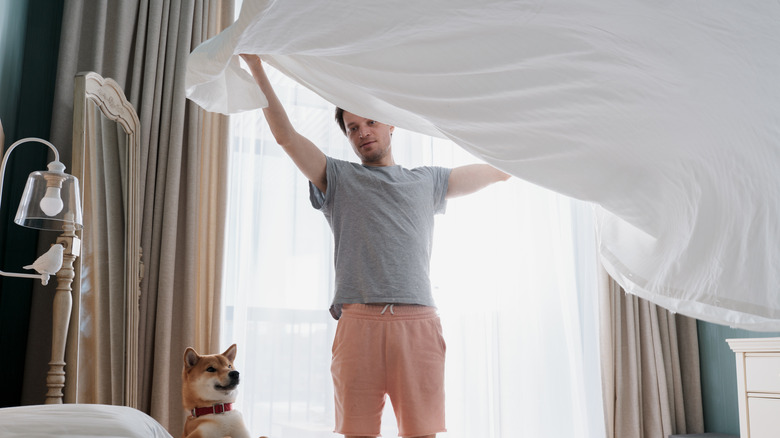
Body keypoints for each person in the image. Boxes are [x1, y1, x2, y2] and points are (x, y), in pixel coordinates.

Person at [241, 54, 510, 438]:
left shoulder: (427, 181)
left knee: (422, 434)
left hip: (417, 326)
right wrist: (257, 70)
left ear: (391, 123)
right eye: (352, 128)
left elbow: (499, 170)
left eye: (370, 122)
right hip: (358, 325)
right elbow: (286, 137)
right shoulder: (337, 177)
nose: (363, 132)